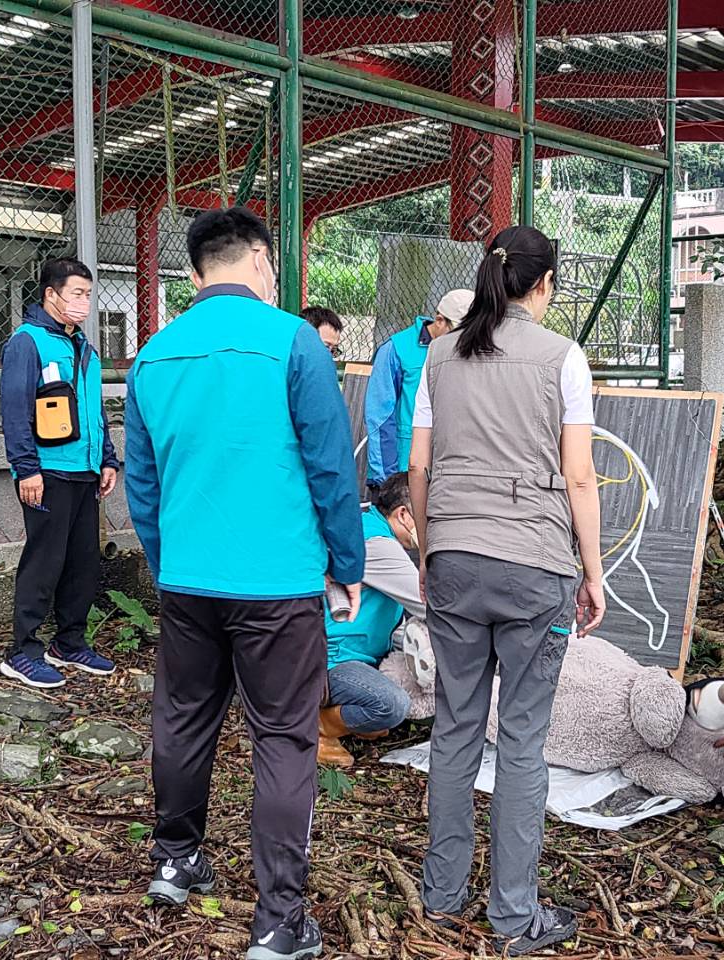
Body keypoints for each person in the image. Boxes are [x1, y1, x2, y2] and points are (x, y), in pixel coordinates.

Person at [125, 206, 363, 960]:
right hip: (278, 582)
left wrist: (167, 562)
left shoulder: (154, 354)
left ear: (196, 272)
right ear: (261, 261)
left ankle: (174, 859)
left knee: (182, 717)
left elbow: (142, 484)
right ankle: (279, 920)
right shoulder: (294, 341)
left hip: (189, 578)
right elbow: (331, 467)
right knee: (284, 739)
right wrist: (347, 564)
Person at [408, 226, 604, 956]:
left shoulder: (438, 356)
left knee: (455, 725)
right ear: (544, 283)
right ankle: (515, 916)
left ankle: (442, 894)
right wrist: (593, 571)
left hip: (454, 557)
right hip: (534, 564)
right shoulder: (563, 357)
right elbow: (578, 475)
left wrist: (429, 552)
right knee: (522, 740)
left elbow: (419, 468)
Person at [0, 257, 121, 690]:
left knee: (83, 562)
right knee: (44, 561)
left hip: (85, 470)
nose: (84, 302)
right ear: (51, 294)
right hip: (47, 472)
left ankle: (70, 642)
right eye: (77, 293)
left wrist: (107, 459)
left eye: (88, 294)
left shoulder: (84, 346)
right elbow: (15, 412)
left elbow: (95, 410)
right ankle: (23, 651)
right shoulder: (27, 343)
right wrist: (26, 469)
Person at [319, 471, 423, 768]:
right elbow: (429, 604)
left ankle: (350, 713)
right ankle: (320, 727)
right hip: (334, 660)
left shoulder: (368, 527)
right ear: (403, 514)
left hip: (357, 655)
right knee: (392, 705)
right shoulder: (377, 544)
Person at [363, 288, 473, 488]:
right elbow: (380, 417)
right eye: (457, 332)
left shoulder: (467, 352)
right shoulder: (396, 349)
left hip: (449, 473)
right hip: (402, 472)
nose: (461, 340)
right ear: (439, 321)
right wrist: (387, 481)